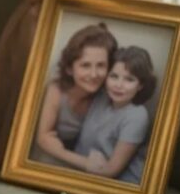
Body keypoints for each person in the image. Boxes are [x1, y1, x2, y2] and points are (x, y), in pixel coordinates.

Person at [67, 47, 157, 184]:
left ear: (140, 85)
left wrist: (61, 153)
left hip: (118, 184)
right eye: (114, 76)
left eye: (129, 79)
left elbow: (111, 171)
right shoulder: (101, 98)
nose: (118, 85)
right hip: (86, 173)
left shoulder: (137, 115)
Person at [32, 22, 117, 165]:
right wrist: (85, 163)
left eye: (101, 65)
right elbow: (44, 138)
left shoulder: (107, 96)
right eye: (85, 65)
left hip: (84, 157)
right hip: (51, 159)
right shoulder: (56, 90)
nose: (94, 74)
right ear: (69, 69)